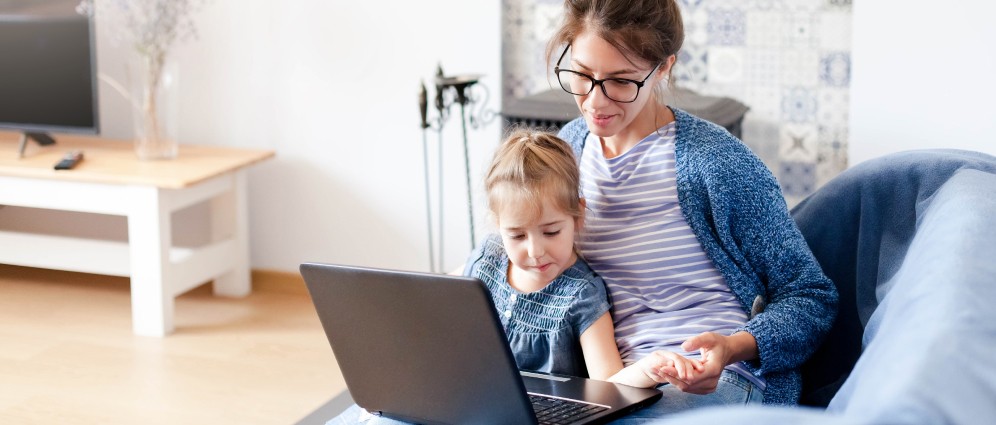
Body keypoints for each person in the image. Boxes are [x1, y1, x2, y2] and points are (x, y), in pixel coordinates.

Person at [545, 0, 838, 419]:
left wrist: (733, 346)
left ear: (663, 67)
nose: (595, 100)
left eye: (621, 81)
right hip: (618, 383)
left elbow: (811, 297)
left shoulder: (716, 163)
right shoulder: (568, 150)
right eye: (582, 74)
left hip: (721, 379)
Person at [328, 129, 694, 425]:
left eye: (551, 232)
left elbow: (607, 386)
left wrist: (648, 369)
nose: (535, 251)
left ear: (578, 217)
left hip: (539, 416)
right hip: (468, 403)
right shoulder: (488, 259)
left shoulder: (581, 294)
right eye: (517, 235)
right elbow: (431, 302)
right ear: (498, 225)